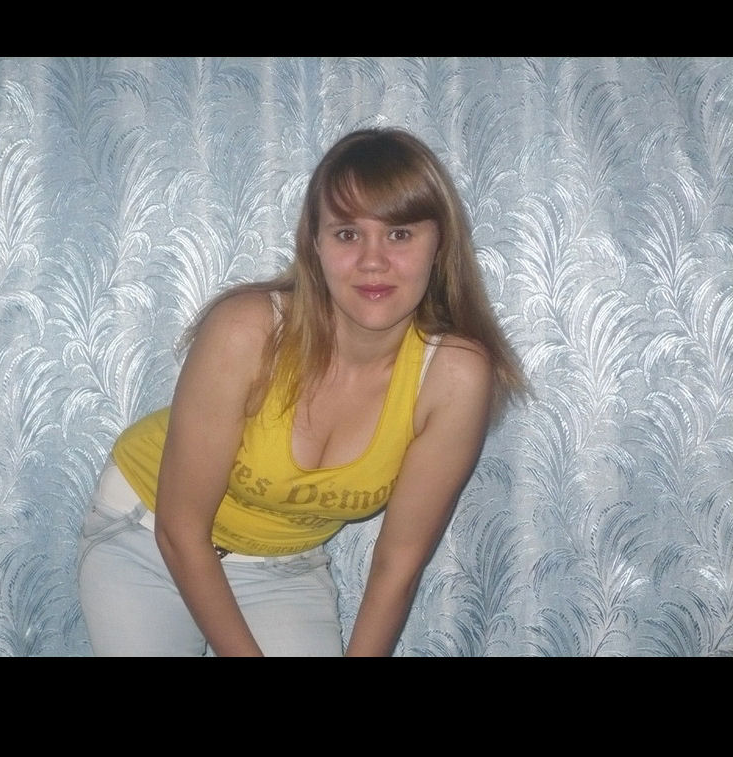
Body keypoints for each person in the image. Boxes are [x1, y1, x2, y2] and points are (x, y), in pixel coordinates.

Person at [77, 127, 526, 657]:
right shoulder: (246, 330)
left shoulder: (454, 377)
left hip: (282, 569)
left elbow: (397, 566)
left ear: (440, 244)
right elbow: (180, 530)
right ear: (315, 244)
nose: (373, 260)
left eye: (400, 234)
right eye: (347, 234)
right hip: (148, 538)